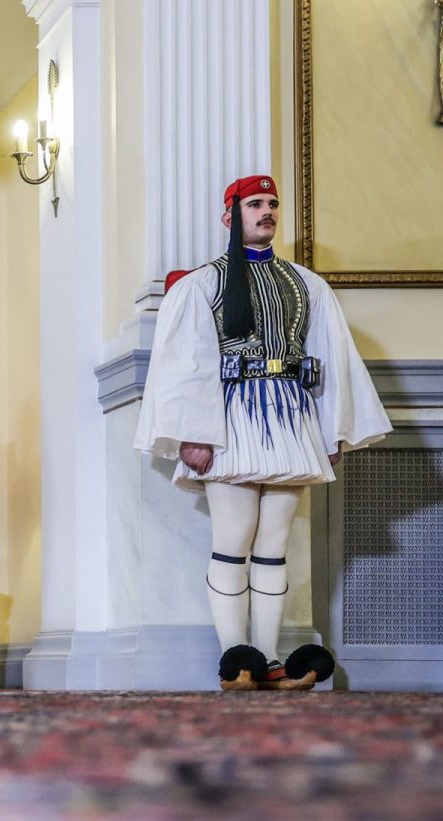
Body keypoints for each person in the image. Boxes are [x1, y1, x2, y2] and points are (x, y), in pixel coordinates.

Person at [135, 174, 391, 690]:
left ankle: (268, 659)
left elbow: (330, 356)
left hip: (290, 417)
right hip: (230, 419)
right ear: (230, 216)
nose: (267, 211)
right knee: (233, 541)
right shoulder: (202, 284)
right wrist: (193, 433)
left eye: (273, 203)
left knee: (274, 546)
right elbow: (187, 363)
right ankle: (237, 660)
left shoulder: (305, 284)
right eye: (255, 204)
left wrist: (331, 431)